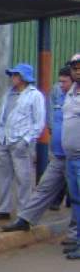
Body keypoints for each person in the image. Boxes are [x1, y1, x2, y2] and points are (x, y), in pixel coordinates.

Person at [3, 66, 75, 234]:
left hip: (74, 156)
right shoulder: (59, 95)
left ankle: (74, 236)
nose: (60, 84)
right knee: (43, 188)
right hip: (58, 155)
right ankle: (25, 219)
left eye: (64, 81)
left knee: (76, 197)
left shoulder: (75, 99)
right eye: (60, 81)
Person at [0, 64, 46, 222]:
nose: (12, 78)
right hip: (3, 140)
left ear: (23, 78)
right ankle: (3, 209)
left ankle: (24, 213)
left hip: (20, 142)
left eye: (15, 75)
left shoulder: (35, 96)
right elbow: (1, 116)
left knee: (23, 178)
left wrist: (26, 140)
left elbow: (39, 122)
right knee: (3, 177)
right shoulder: (9, 94)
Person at [61, 54, 80, 259]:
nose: (77, 71)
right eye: (74, 67)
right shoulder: (71, 92)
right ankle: (77, 240)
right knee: (76, 201)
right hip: (71, 158)